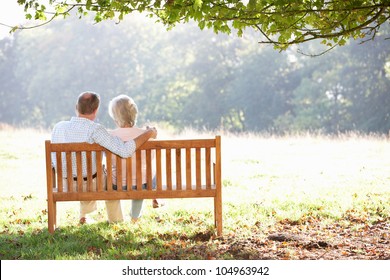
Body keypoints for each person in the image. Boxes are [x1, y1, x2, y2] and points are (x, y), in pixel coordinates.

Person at [51, 91, 157, 224]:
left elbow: (53, 159)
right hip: (91, 183)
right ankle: (116, 220)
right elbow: (124, 151)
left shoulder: (58, 127)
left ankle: (84, 215)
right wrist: (148, 133)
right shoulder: (96, 130)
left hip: (64, 184)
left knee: (86, 172)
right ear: (96, 110)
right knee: (107, 179)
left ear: (76, 107)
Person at [108, 94, 163, 222]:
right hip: (142, 184)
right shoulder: (145, 135)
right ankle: (135, 216)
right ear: (134, 114)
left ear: (115, 117)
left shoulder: (110, 135)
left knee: (113, 173)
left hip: (118, 184)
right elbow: (151, 158)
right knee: (144, 175)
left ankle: (115, 218)